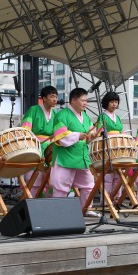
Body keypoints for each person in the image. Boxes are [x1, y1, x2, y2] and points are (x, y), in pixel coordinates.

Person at [50, 88, 100, 217]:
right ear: (73, 100)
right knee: (61, 187)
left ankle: (86, 208)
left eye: (86, 101)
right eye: (82, 100)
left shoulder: (86, 116)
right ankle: (58, 212)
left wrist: (92, 136)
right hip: (65, 156)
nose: (85, 103)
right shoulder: (61, 115)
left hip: (82, 156)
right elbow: (60, 137)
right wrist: (78, 135)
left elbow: (89, 133)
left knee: (89, 184)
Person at [21, 85, 58, 198]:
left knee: (53, 180)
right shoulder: (33, 110)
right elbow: (25, 130)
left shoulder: (56, 114)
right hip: (35, 148)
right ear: (44, 98)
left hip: (51, 150)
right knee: (34, 180)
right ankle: (32, 206)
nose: (55, 99)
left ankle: (48, 206)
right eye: (52, 96)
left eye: (56, 97)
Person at [95, 91, 125, 205]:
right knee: (108, 177)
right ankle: (105, 201)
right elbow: (100, 132)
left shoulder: (117, 117)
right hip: (108, 148)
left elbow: (122, 132)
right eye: (112, 102)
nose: (114, 104)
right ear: (106, 103)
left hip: (118, 148)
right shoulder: (102, 116)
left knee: (118, 176)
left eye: (116, 102)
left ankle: (117, 200)